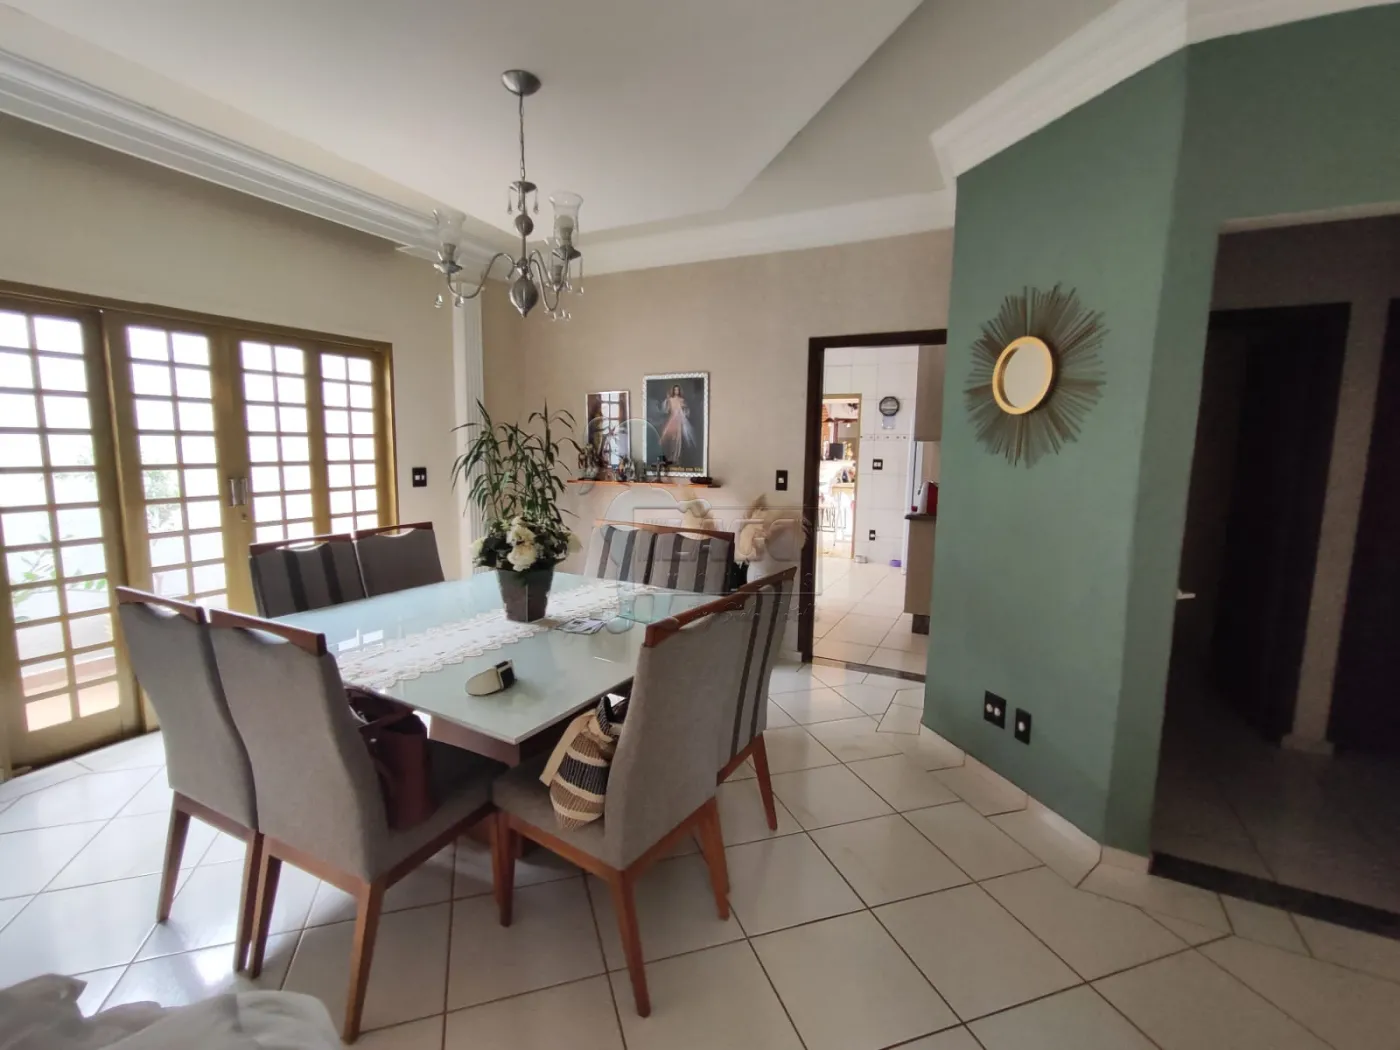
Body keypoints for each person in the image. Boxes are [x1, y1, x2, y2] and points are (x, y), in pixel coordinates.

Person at [658, 384, 693, 463]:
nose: (676, 391)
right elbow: (666, 410)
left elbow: (686, 411)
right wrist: (667, 400)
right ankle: (671, 456)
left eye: (678, 390)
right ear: (673, 391)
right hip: (672, 419)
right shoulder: (670, 399)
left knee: (678, 439)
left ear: (679, 391)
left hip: (679, 420)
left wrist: (684, 411)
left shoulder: (682, 400)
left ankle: (676, 457)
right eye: (675, 390)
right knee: (669, 437)